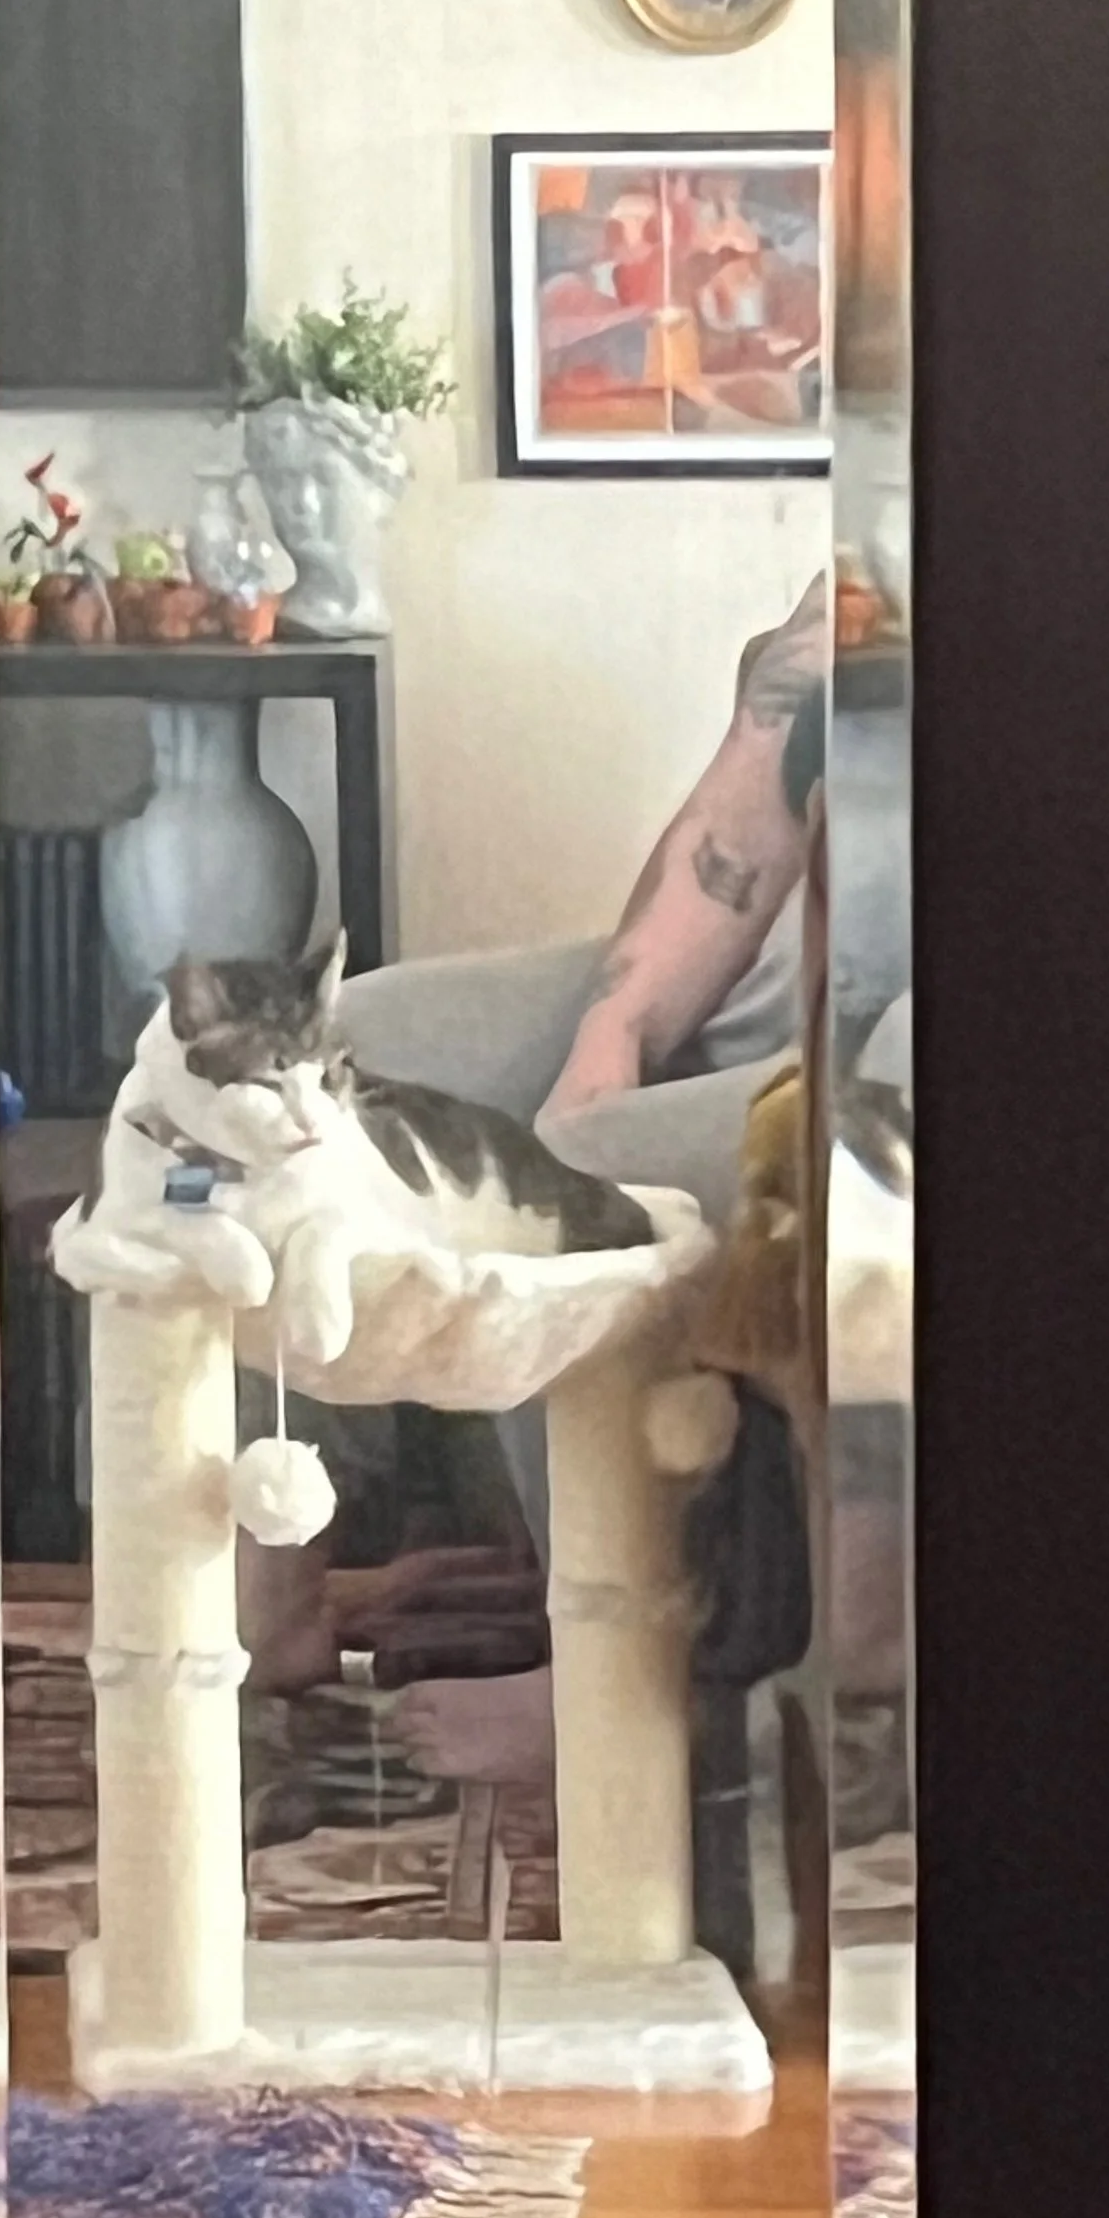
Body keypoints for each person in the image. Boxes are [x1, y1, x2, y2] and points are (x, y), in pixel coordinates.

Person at [249, 572, 913, 1808]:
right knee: (328, 1068)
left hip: (880, 1057)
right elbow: (734, 830)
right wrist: (613, 1036)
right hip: (747, 1015)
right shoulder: (864, 567)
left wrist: (587, 1140)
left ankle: (615, 1675)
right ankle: (271, 1607)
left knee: (578, 1192)